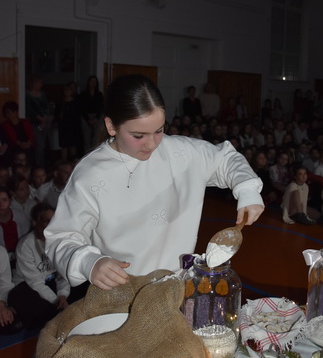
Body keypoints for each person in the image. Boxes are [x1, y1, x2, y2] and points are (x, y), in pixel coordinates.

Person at [45, 74, 265, 290]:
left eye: (159, 130)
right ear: (111, 126)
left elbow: (225, 158)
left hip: (176, 288)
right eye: (138, 135)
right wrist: (89, 262)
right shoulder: (90, 174)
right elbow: (61, 238)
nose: (151, 144)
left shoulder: (179, 152)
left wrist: (246, 187)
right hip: (123, 293)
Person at [8, 203, 70, 329]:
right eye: (46, 221)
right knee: (44, 310)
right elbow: (35, 282)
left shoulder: (60, 241)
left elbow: (63, 273)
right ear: (35, 222)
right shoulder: (26, 244)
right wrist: (56, 300)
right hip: (27, 286)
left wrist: (63, 295)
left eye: (53, 220)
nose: (51, 225)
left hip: (50, 282)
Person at [0, 186, 30, 263]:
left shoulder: (20, 216)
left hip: (22, 256)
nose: (1, 204)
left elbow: (26, 239)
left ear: (10, 201)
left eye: (4, 200)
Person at [25, 75, 51, 166]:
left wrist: (45, 117)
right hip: (34, 122)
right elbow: (28, 109)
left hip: (44, 122)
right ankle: (38, 164)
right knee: (39, 144)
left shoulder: (42, 94)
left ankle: (42, 164)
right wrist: (38, 117)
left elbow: (46, 106)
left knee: (43, 145)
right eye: (39, 83)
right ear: (34, 83)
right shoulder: (27, 94)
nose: (41, 85)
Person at [0, 101, 35, 166]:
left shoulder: (25, 122)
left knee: (30, 152)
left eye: (9, 113)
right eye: (6, 113)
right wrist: (20, 144)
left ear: (15, 112)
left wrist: (28, 143)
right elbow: (8, 138)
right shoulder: (5, 125)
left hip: (27, 144)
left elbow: (31, 135)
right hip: (14, 146)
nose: (7, 115)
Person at [54, 83, 82, 160]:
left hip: (73, 126)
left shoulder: (75, 102)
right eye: (65, 90)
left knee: (73, 146)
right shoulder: (60, 102)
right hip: (63, 126)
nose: (67, 92)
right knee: (64, 146)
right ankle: (64, 161)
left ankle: (73, 161)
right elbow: (57, 114)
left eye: (69, 90)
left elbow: (77, 115)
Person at [79, 75, 104, 154]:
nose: (93, 83)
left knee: (96, 137)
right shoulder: (83, 94)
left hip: (97, 117)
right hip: (86, 117)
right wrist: (87, 119)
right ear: (88, 82)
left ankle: (94, 154)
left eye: (95, 82)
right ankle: (86, 154)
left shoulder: (99, 94)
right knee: (86, 137)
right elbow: (82, 108)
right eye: (91, 81)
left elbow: (101, 107)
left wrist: (96, 118)